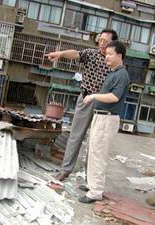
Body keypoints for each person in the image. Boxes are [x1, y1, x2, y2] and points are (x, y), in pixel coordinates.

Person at [46, 29, 118, 181]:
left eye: (106, 41)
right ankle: (65, 170)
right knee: (75, 136)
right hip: (85, 100)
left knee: (95, 142)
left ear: (113, 44)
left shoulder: (114, 62)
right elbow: (76, 53)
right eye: (101, 39)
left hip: (103, 106)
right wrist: (60, 54)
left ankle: (90, 177)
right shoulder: (92, 54)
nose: (102, 43)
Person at [78, 41, 130, 203]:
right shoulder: (113, 72)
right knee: (93, 152)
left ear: (119, 56)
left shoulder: (122, 75)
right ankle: (92, 185)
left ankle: (95, 192)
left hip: (107, 118)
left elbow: (114, 97)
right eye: (106, 54)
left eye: (110, 54)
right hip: (100, 116)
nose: (106, 57)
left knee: (98, 155)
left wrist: (93, 96)